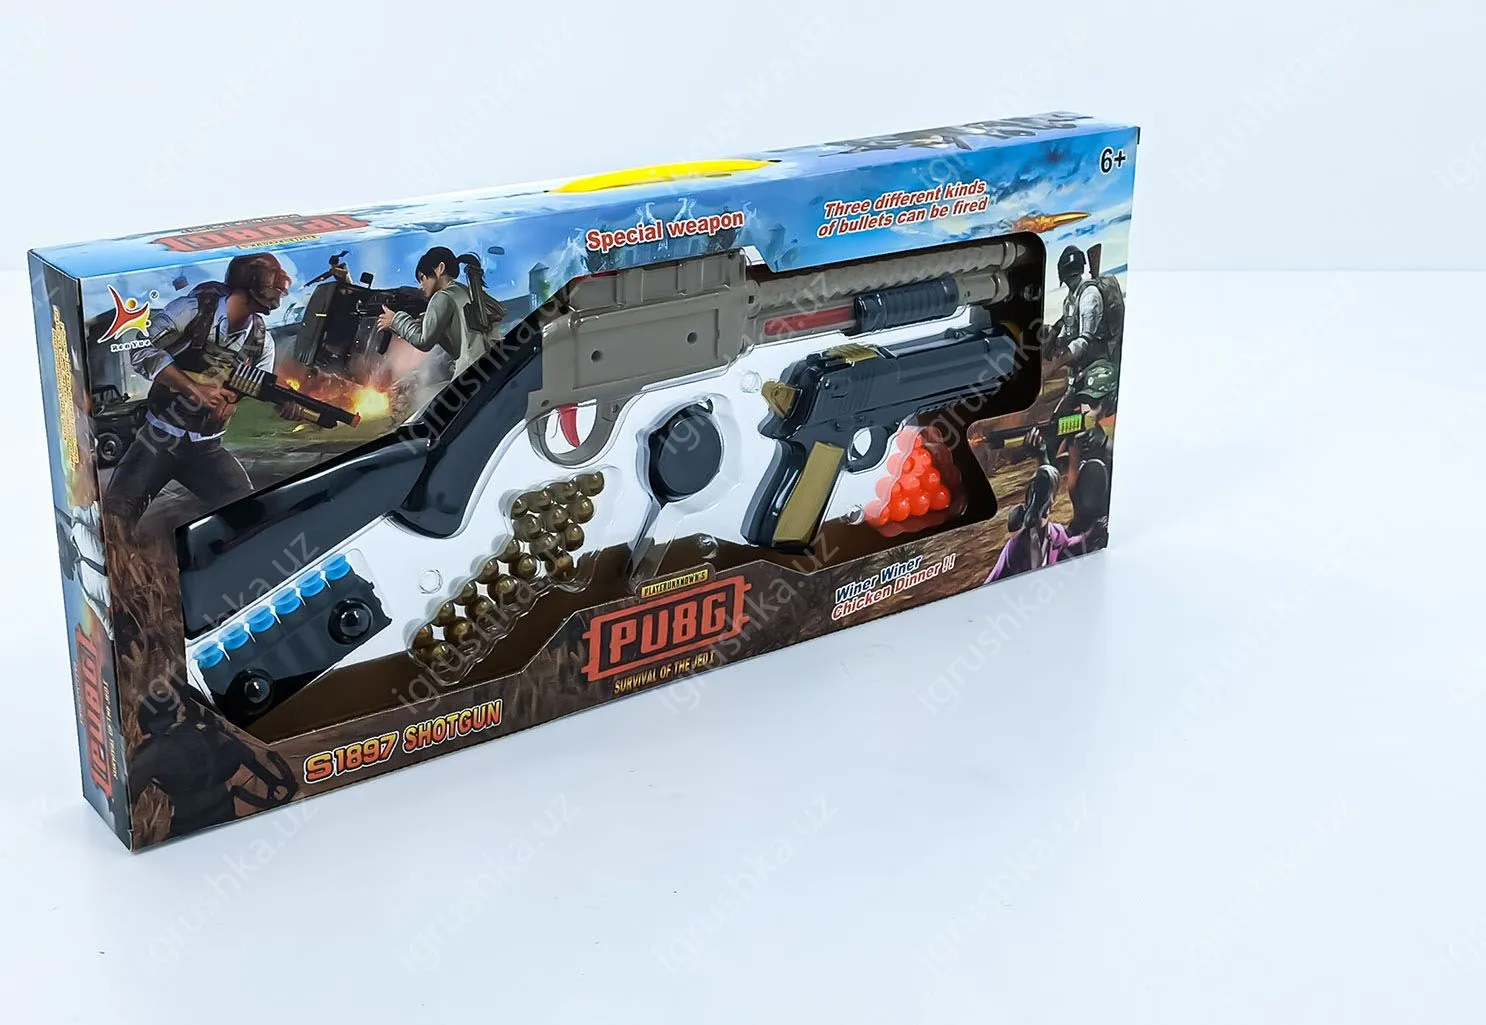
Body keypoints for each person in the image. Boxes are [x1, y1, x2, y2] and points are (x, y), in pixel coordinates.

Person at [101, 253, 293, 529]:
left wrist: (280, 404)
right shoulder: (191, 310)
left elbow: (259, 385)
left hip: (207, 449)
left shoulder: (262, 341)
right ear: (249, 283)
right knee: (115, 519)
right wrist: (192, 388)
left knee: (250, 516)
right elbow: (141, 350)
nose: (276, 296)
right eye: (270, 284)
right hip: (157, 440)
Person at [375, 246, 504, 378]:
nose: (421, 286)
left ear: (440, 268)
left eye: (422, 278)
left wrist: (395, 320)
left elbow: (424, 341)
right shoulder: (461, 290)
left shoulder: (442, 297)